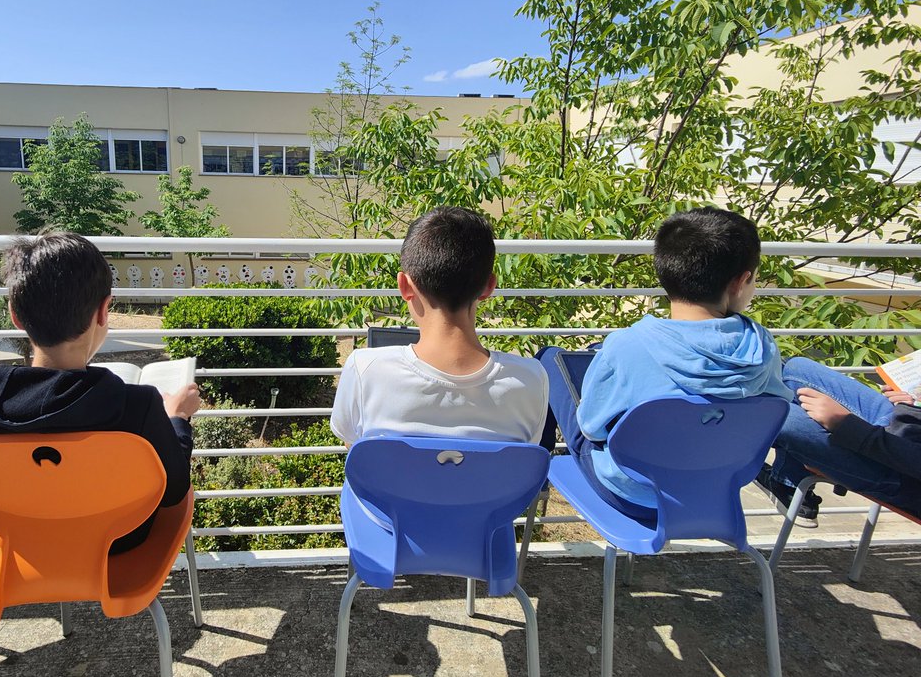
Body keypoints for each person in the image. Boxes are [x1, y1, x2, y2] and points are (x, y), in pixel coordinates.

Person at [539, 207, 795, 522]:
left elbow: (592, 426)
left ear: (664, 272)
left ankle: (537, 476)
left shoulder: (629, 345)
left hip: (632, 494)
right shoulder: (763, 347)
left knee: (550, 359)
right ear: (741, 282)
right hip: (710, 490)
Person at [0, 232, 199, 553]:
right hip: (115, 547)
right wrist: (177, 418)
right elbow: (175, 487)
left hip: (25, 549)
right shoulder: (137, 406)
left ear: (15, 314)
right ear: (103, 312)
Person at [330, 206, 548, 446]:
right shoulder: (530, 379)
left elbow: (357, 455)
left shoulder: (366, 370)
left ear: (404, 286)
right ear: (489, 286)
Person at [766, 356, 921, 518]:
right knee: (795, 368)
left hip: (904, 478)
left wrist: (845, 425)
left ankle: (788, 484)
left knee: (782, 416)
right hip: (907, 428)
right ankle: (786, 480)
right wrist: (915, 406)